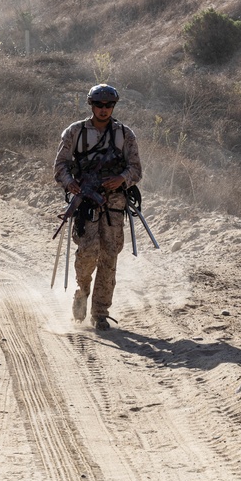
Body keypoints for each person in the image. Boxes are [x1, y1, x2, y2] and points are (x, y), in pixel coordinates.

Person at [53, 84, 142, 331]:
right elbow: (60, 165)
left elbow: (136, 168)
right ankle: (82, 291)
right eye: (99, 105)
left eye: (109, 105)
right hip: (85, 202)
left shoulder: (125, 135)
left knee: (109, 256)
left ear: (114, 106)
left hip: (114, 203)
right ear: (91, 105)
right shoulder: (75, 132)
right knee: (87, 252)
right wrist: (71, 184)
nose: (104, 110)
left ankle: (100, 312)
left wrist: (122, 179)